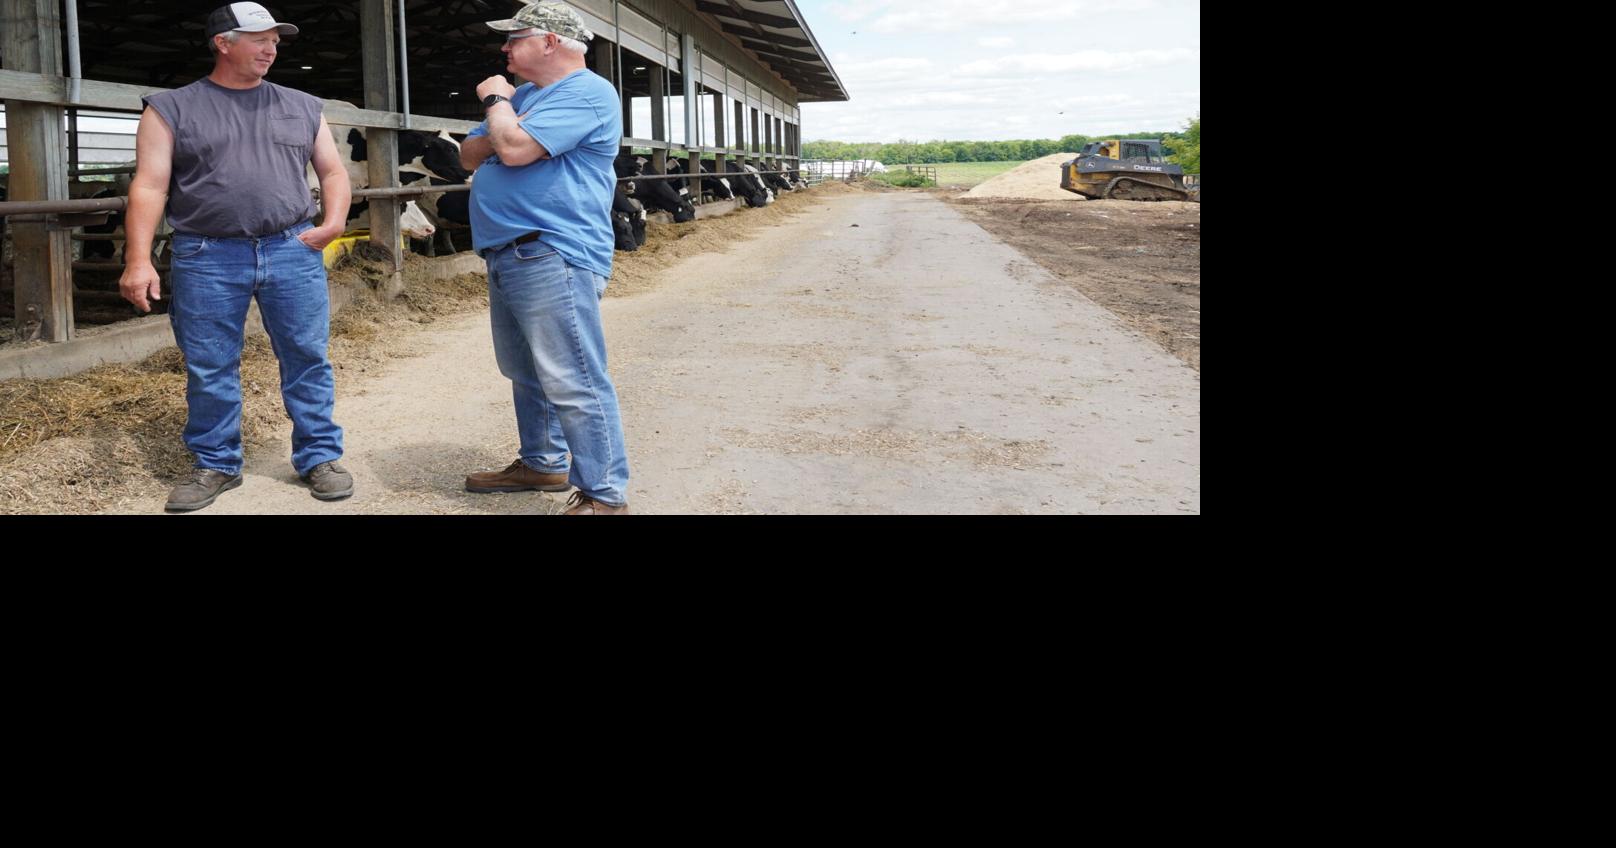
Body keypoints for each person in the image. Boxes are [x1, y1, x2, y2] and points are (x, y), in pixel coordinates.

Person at [120, 2, 354, 512]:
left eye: (275, 39)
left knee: (306, 356)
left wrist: (333, 223)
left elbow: (332, 172)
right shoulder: (170, 107)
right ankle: (216, 463)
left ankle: (319, 456)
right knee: (210, 364)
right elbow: (150, 184)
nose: (271, 47)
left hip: (290, 247)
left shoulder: (302, 104)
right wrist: (138, 259)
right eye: (258, 38)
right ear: (223, 43)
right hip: (207, 252)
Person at [459, 3, 631, 515]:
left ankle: (605, 495)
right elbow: (468, 155)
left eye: (516, 37)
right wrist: (504, 122)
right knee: (526, 370)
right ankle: (543, 461)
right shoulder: (527, 96)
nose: (505, 47)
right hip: (510, 251)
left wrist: (495, 104)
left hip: (552, 250)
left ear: (551, 41)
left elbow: (508, 149)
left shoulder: (587, 92)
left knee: (573, 375)